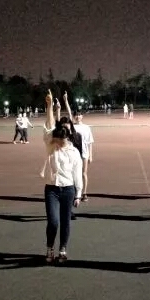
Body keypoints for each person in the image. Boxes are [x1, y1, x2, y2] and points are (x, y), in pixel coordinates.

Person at [42, 90, 83, 263]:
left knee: (65, 222)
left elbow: (77, 174)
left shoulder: (74, 152)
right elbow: (49, 126)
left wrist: (78, 194)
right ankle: (50, 248)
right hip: (52, 189)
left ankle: (63, 249)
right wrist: (49, 106)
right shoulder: (51, 146)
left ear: (67, 138)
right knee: (53, 221)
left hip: (68, 190)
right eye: (57, 139)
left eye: (62, 140)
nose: (59, 142)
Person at [63, 93, 94, 202]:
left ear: (82, 116)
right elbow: (69, 112)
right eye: (76, 115)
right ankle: (75, 193)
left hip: (84, 153)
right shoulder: (72, 127)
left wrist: (91, 155)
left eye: (79, 115)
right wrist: (66, 100)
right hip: (73, 153)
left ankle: (84, 193)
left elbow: (90, 142)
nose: (78, 116)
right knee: (73, 173)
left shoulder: (86, 127)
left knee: (83, 173)